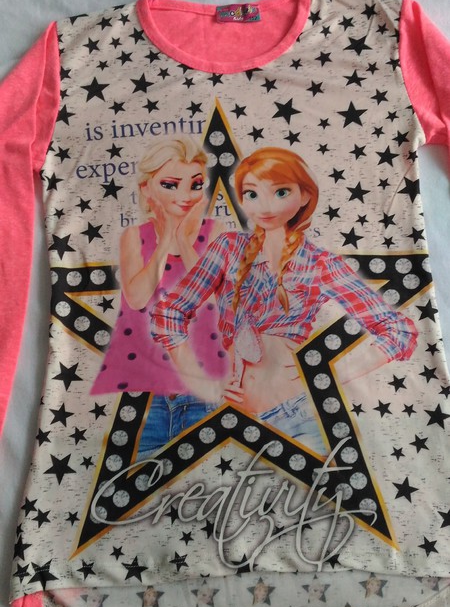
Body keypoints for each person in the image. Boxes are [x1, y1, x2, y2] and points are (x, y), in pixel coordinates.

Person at [151, 147, 418, 454]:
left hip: (296, 417)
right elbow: (170, 311)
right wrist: (201, 380)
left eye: (280, 192)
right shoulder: (228, 248)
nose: (265, 206)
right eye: (252, 194)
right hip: (223, 413)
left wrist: (331, 373)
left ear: (304, 195)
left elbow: (399, 331)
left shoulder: (321, 264)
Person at [91, 136, 227, 459]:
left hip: (205, 384)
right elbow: (137, 298)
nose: (185, 195)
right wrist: (165, 240)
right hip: (145, 391)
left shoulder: (214, 231)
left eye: (195, 185)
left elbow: (211, 296)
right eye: (170, 184)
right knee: (139, 477)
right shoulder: (133, 237)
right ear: (146, 188)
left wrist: (184, 240)